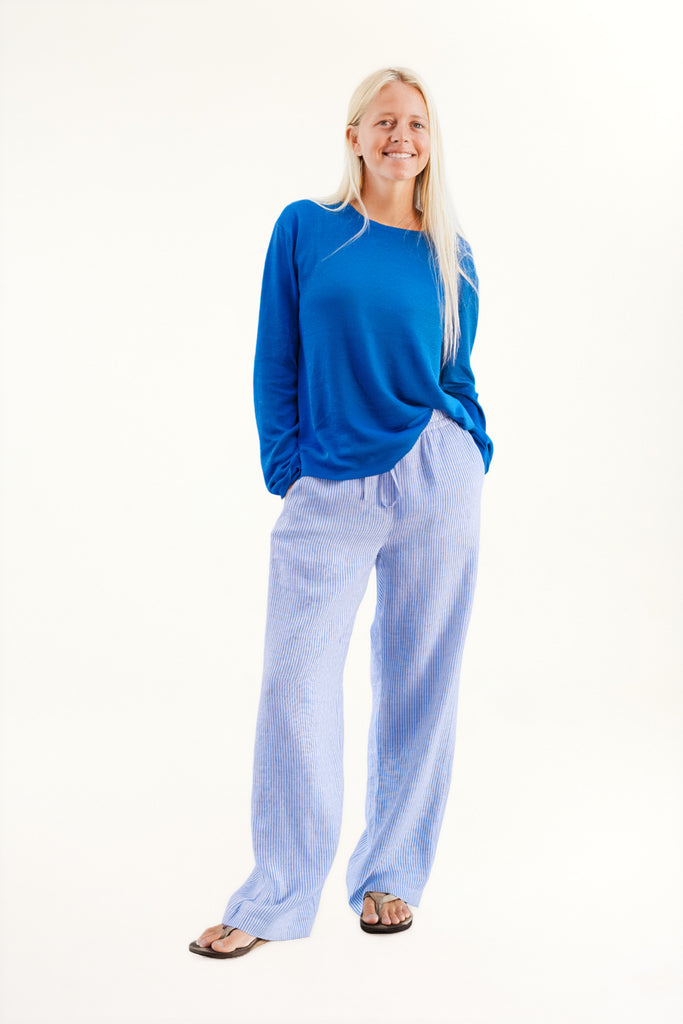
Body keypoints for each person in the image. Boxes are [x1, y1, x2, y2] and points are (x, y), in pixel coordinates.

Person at [189, 65, 494, 959]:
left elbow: (457, 370)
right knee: (295, 684)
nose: (403, 136)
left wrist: (469, 449)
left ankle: (390, 874)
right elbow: (272, 353)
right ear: (354, 136)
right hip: (329, 484)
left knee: (418, 679)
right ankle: (276, 897)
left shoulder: (452, 252)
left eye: (418, 125)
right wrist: (288, 466)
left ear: (429, 145)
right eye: (385, 121)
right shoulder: (306, 229)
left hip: (435, 475)